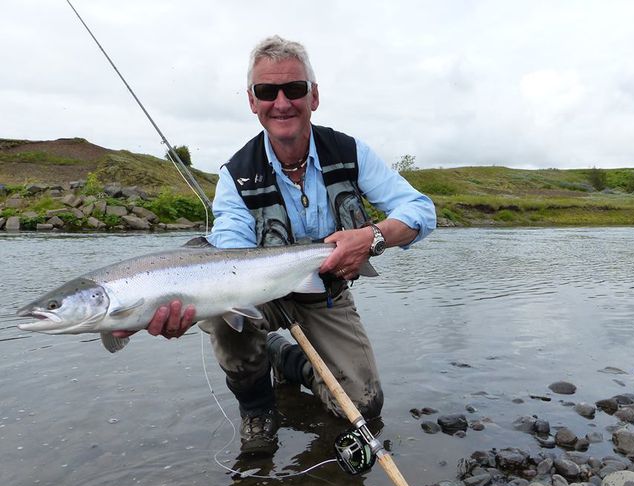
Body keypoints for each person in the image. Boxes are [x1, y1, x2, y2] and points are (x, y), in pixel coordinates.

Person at [116, 35, 436, 455]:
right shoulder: (236, 174)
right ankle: (257, 409)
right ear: (253, 101)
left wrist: (372, 237)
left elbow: (420, 210)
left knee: (364, 407)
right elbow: (231, 255)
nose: (282, 102)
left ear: (314, 96)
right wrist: (185, 307)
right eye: (268, 92)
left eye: (294, 89)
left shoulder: (350, 152)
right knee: (221, 318)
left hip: (324, 293)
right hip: (258, 294)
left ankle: (283, 358)